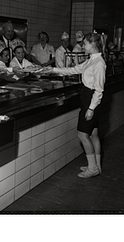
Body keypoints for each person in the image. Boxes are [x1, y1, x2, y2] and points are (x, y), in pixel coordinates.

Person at [44, 32, 106, 179]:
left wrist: (91, 109)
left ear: (93, 44)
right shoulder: (91, 60)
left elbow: (99, 89)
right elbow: (73, 69)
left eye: (85, 43)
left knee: (82, 134)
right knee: (94, 134)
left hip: (91, 101)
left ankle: (92, 168)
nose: (82, 46)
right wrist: (52, 70)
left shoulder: (99, 63)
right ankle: (96, 166)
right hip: (88, 99)